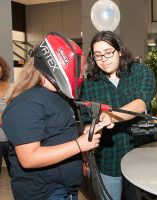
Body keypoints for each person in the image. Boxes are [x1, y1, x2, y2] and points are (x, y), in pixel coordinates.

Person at [2, 32, 113, 200]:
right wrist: (79, 145)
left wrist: (87, 132)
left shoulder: (59, 96)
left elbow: (58, 135)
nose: (80, 75)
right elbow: (29, 158)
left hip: (66, 190)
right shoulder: (25, 103)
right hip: (43, 194)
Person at [79, 31, 157, 200]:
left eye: (108, 52)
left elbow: (141, 102)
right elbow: (86, 118)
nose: (103, 59)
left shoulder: (141, 72)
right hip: (108, 160)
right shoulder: (89, 85)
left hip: (141, 155)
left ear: (120, 51)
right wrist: (88, 130)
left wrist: (110, 116)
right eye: (98, 55)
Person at [0, 56, 11, 176]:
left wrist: (5, 115)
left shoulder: (13, 87)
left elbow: (20, 111)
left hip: (11, 139)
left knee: (14, 173)